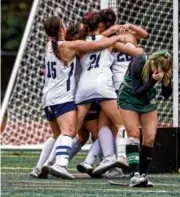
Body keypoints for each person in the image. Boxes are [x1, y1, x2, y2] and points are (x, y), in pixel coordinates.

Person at [29, 15, 128, 179]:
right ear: (62, 29)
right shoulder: (70, 46)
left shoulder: (50, 46)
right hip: (64, 97)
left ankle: (40, 167)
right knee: (69, 132)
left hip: (47, 97)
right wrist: (118, 36)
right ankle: (60, 164)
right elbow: (99, 44)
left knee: (61, 135)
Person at [75, 11, 144, 177]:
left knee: (79, 130)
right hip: (114, 87)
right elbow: (138, 51)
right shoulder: (115, 40)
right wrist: (125, 38)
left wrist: (115, 34)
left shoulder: (81, 42)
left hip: (86, 89)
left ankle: (87, 161)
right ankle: (117, 158)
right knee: (120, 126)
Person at [118, 50, 172, 187]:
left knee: (149, 138)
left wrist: (166, 82)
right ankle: (134, 175)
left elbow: (166, 95)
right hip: (129, 97)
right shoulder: (139, 62)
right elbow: (136, 91)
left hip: (147, 99)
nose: (158, 72)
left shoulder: (165, 68)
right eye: (156, 69)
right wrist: (153, 80)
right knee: (134, 134)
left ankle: (142, 175)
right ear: (152, 63)